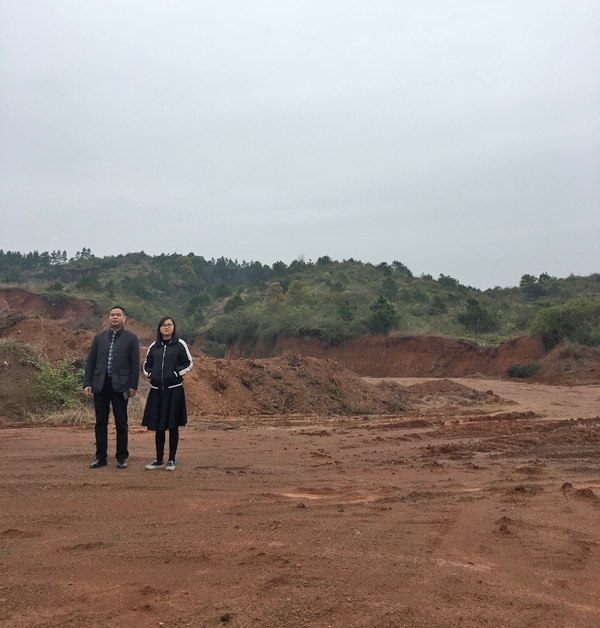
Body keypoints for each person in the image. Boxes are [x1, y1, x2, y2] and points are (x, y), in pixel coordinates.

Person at [83, 306, 140, 469]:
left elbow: (134, 363)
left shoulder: (131, 338)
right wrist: (87, 382)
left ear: (124, 318)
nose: (114, 317)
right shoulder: (99, 337)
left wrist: (133, 385)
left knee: (121, 422)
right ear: (109, 318)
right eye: (112, 315)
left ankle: (121, 457)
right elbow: (91, 361)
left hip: (121, 385)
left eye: (118, 315)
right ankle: (101, 457)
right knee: (100, 422)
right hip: (100, 384)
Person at [142, 316, 193, 471]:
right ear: (159, 328)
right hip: (157, 391)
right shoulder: (154, 346)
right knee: (159, 426)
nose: (166, 327)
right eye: (163, 325)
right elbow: (146, 365)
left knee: (173, 426)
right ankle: (158, 459)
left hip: (174, 390)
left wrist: (176, 373)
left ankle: (171, 459)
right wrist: (151, 375)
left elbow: (188, 363)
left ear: (173, 327)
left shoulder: (180, 344)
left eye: (169, 324)